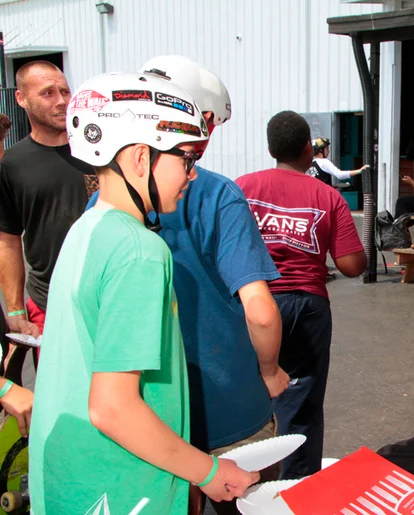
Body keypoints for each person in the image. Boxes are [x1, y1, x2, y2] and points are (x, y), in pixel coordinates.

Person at [29, 72, 258, 514]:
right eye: (185, 159)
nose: (191, 176)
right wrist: (208, 472)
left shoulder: (86, 229)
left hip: (70, 476)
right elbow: (113, 408)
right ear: (139, 158)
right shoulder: (141, 252)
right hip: (122, 487)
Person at [87, 55, 288, 515]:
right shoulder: (219, 195)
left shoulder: (99, 212)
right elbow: (260, 309)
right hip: (229, 406)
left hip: (151, 422)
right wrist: (271, 371)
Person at [236, 111, 366, 479]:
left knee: (250, 395)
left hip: (253, 301)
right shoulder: (326, 196)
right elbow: (351, 266)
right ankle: (297, 489)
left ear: (270, 148)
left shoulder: (242, 188)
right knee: (302, 402)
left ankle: (249, 483)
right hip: (308, 306)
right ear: (309, 148)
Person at [0, 61, 96, 337]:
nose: (62, 101)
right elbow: (7, 240)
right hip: (48, 305)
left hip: (106, 296)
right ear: (21, 98)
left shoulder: (97, 153)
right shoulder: (12, 164)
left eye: (65, 92)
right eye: (48, 93)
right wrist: (16, 309)